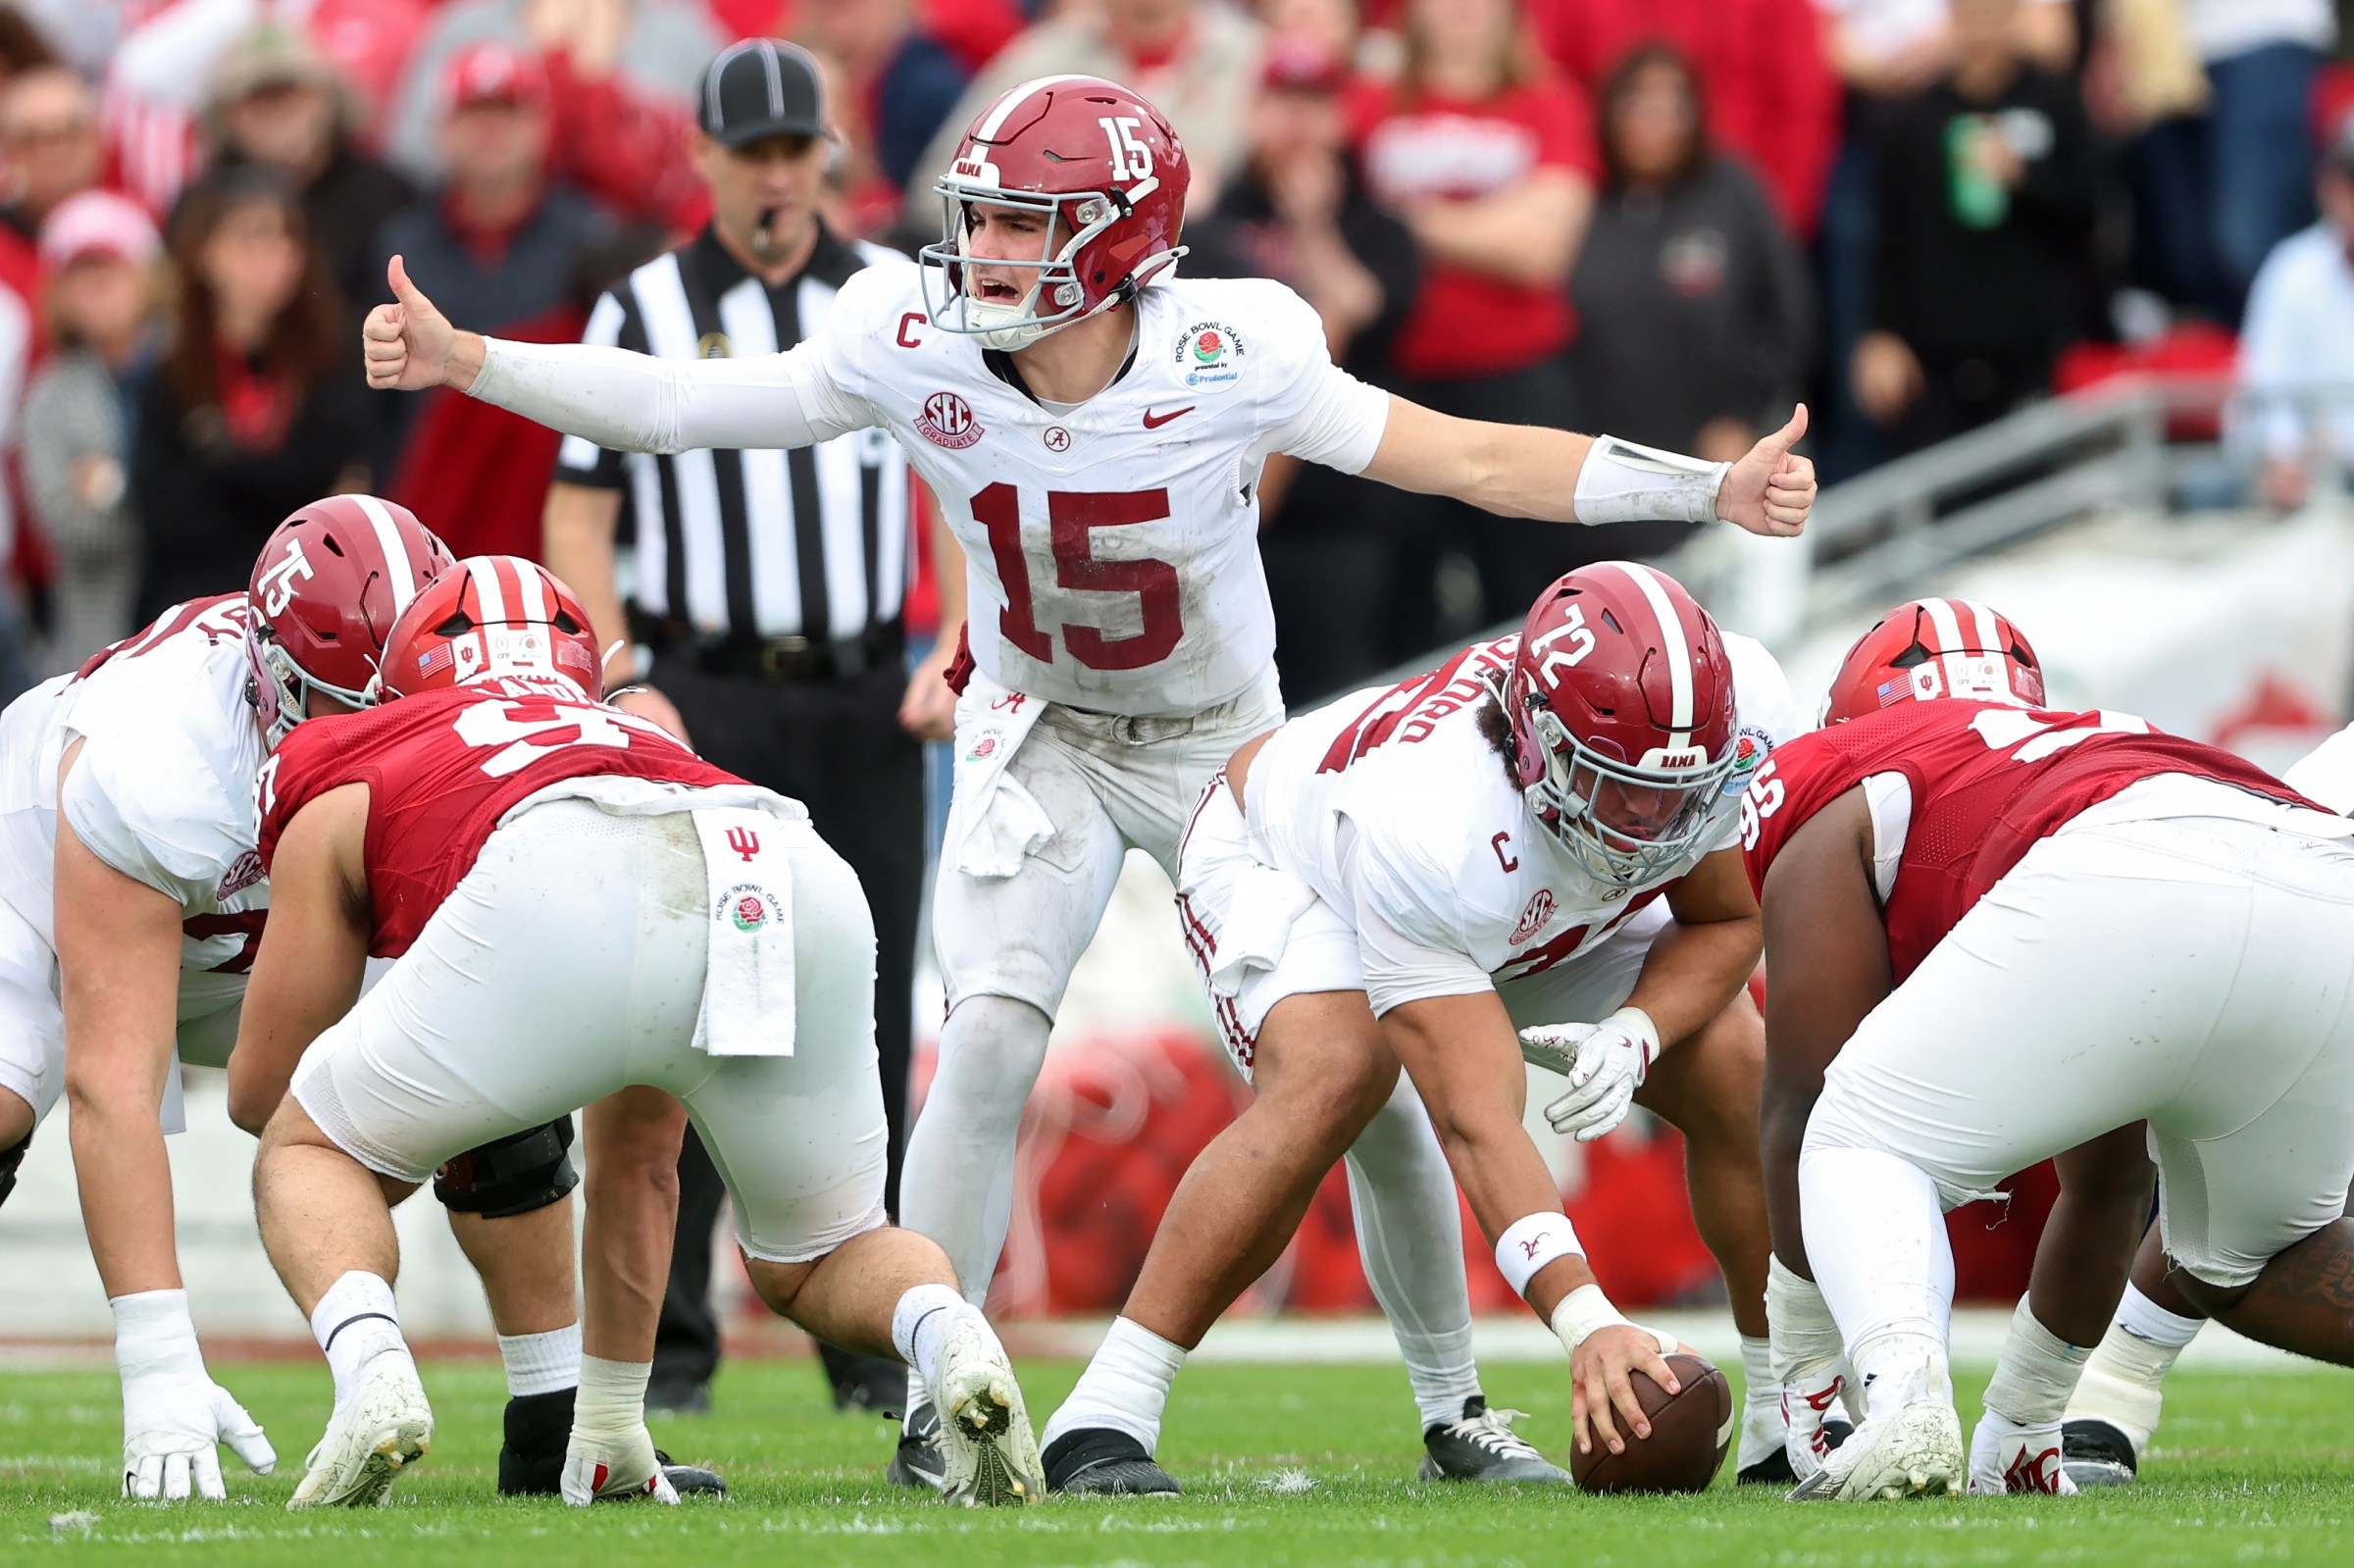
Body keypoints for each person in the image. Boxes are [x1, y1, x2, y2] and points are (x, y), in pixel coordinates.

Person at [358, 70, 1817, 1491]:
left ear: (1119, 241)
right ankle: (942, 1403)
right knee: (985, 1041)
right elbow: (685, 403)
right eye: (979, 218)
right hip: (1038, 726)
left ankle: (1455, 1404)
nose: (983, 249)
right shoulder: (911, 334)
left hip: (1222, 756)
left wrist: (1705, 489)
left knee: (1359, 1074)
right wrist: (472, 359)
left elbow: (1472, 457)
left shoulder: (1235, 348)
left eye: (1020, 223)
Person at [233, 552, 1044, 1509]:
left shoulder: (360, 753)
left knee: (304, 1147)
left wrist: (406, 1124)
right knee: (825, 1253)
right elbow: (642, 1152)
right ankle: (939, 1332)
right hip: (773, 853)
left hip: (561, 865)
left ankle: (372, 1369)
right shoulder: (632, 724)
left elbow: (261, 1090)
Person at [1039, 562, 1803, 1492]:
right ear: (1538, 745)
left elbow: (1726, 916)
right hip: (1287, 863)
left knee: (1732, 1058)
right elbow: (1476, 1113)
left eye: (1674, 795)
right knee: (1344, 1077)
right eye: (1613, 786)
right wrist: (1587, 1318)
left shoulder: (1738, 710)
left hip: (1530, 897)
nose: (1647, 821)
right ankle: (1107, 1408)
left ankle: (1783, 1411)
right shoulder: (1432, 823)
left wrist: (1639, 1030)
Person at [0, 498, 600, 1501]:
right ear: (271, 680)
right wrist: (160, 1365)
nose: (388, 737)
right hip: (45, 898)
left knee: (494, 1061)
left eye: (412, 705)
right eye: (357, 711)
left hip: (268, 931)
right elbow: (113, 1083)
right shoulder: (158, 754)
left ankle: (559, 1425)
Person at [536, 38, 941, 1420]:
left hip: (863, 686)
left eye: (796, 149)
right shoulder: (640, 304)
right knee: (700, 1004)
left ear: (827, 155)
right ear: (702, 158)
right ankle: (683, 1336)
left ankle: (868, 1332)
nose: (776, 175)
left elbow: (966, 466)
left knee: (872, 1005)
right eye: (751, 150)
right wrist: (625, 666)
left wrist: (961, 638)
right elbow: (579, 507)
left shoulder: (893, 295)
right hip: (701, 690)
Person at [1745, 597, 2354, 1499]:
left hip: (2128, 868)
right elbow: (2109, 1180)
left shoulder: (1847, 763)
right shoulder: (2098, 740)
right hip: (2320, 877)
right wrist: (2027, 1416)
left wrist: (1802, 1369)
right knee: (2245, 1259)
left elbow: (1801, 1100)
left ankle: (1903, 1394)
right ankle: (2024, 1436)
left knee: (1853, 1134)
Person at [2059, 715, 2354, 1488]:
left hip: (2265, 897)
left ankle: (2110, 1385)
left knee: (2237, 1213)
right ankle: (2109, 1381)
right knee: (2234, 1247)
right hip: (2298, 905)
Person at [1351, 0, 1599, 653]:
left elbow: (1540, 251)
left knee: (1527, 597)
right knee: (1397, 602)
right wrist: (1491, 222)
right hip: (1391, 382)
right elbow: (1339, 227)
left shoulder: (1550, 101)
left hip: (1515, 379)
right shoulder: (1367, 99)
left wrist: (1401, 220)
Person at [1183, 29, 1420, 703]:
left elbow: (1362, 311)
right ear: (1253, 112)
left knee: (1340, 706)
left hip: (1343, 517)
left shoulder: (1377, 223)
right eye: (1281, 102)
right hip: (1231, 514)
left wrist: (1312, 225)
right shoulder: (1212, 220)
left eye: (1313, 104)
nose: (1295, 123)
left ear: (1340, 117)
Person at [1570, 45, 1813, 564]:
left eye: (1671, 104)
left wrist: (1744, 415)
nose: (1653, 122)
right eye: (1637, 103)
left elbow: (1788, 313)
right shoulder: (1580, 199)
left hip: (1715, 456)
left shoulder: (1732, 193)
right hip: (1596, 464)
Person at [368, 40, 615, 507]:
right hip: (434, 501)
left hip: (559, 496)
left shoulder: (593, 238)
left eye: (507, 111)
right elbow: (382, 406)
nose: (490, 130)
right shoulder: (402, 244)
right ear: (442, 129)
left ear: (542, 125)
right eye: (474, 113)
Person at [1850, 0, 2098, 455]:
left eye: (1994, 12)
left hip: (2035, 356)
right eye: (1969, 13)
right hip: (1939, 362)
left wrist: (2025, 178)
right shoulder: (1913, 121)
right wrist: (1882, 332)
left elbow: (2093, 214)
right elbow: (1891, 239)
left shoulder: (2054, 102)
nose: (1982, 29)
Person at [131, 170, 366, 622]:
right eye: (249, 240)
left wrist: (223, 462)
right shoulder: (171, 370)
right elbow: (163, 511)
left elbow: (330, 477)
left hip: (302, 602)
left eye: (284, 240)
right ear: (205, 254)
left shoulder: (328, 359)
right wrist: (273, 486)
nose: (271, 258)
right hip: (193, 607)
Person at [906, 0, 1265, 208]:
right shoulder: (1043, 54)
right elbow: (942, 183)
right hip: (1064, 258)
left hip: (1213, 259)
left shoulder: (1256, 54)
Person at [186, 24, 418, 337]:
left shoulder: (388, 194)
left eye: (290, 92)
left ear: (329, 99)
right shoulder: (198, 208)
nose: (277, 111)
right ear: (228, 117)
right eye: (257, 97)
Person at [21, 192, 165, 675]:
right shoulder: (49, 394)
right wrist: (169, 498)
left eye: (110, 266)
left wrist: (110, 487)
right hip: (98, 644)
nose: (96, 285)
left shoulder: (192, 368)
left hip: (201, 625)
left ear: (147, 274)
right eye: (79, 273)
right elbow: (68, 523)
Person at [2231, 116, 2354, 513]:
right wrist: (2284, 457)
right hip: (2314, 492)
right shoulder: (2291, 270)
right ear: (2329, 184)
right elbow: (2262, 390)